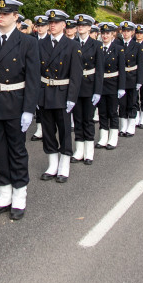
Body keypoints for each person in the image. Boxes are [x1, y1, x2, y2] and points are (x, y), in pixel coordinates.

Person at [0, 0, 40, 220]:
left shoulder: (28, 43)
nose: (0, 16)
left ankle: (19, 194)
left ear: (15, 16)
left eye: (5, 13)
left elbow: (33, 79)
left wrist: (28, 110)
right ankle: (4, 193)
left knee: (17, 150)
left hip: (15, 102)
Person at [37, 9, 81, 182]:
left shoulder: (72, 46)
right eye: (51, 22)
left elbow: (76, 76)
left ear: (64, 25)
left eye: (56, 22)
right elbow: (34, 72)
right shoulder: (40, 44)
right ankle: (52, 164)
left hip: (62, 94)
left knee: (64, 131)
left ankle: (64, 165)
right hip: (45, 93)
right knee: (48, 131)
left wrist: (72, 98)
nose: (53, 25)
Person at [71, 14, 103, 165]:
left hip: (90, 86)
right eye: (79, 25)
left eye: (84, 25)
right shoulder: (72, 43)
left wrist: (98, 91)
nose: (81, 27)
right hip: (76, 87)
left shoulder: (96, 45)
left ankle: (89, 151)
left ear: (90, 28)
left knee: (88, 119)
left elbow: (100, 70)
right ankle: (79, 150)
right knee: (77, 119)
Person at [95, 22, 125, 150]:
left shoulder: (118, 49)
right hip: (101, 85)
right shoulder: (98, 48)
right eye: (103, 33)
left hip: (113, 84)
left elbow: (122, 70)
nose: (105, 36)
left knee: (112, 112)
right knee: (102, 112)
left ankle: (113, 137)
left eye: (107, 33)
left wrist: (121, 87)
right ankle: (103, 137)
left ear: (113, 34)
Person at [115, 21, 143, 137]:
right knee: (122, 103)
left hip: (132, 77)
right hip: (120, 78)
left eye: (128, 31)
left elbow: (140, 65)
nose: (125, 33)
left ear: (132, 32)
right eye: (124, 31)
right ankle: (123, 126)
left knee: (132, 102)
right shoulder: (118, 44)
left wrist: (139, 81)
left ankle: (131, 126)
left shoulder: (137, 46)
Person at [30, 15, 49, 141]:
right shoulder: (32, 39)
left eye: (43, 26)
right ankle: (39, 129)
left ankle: (47, 129)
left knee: (47, 104)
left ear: (47, 26)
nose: (40, 28)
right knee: (37, 105)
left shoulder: (50, 40)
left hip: (47, 76)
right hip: (34, 75)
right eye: (38, 26)